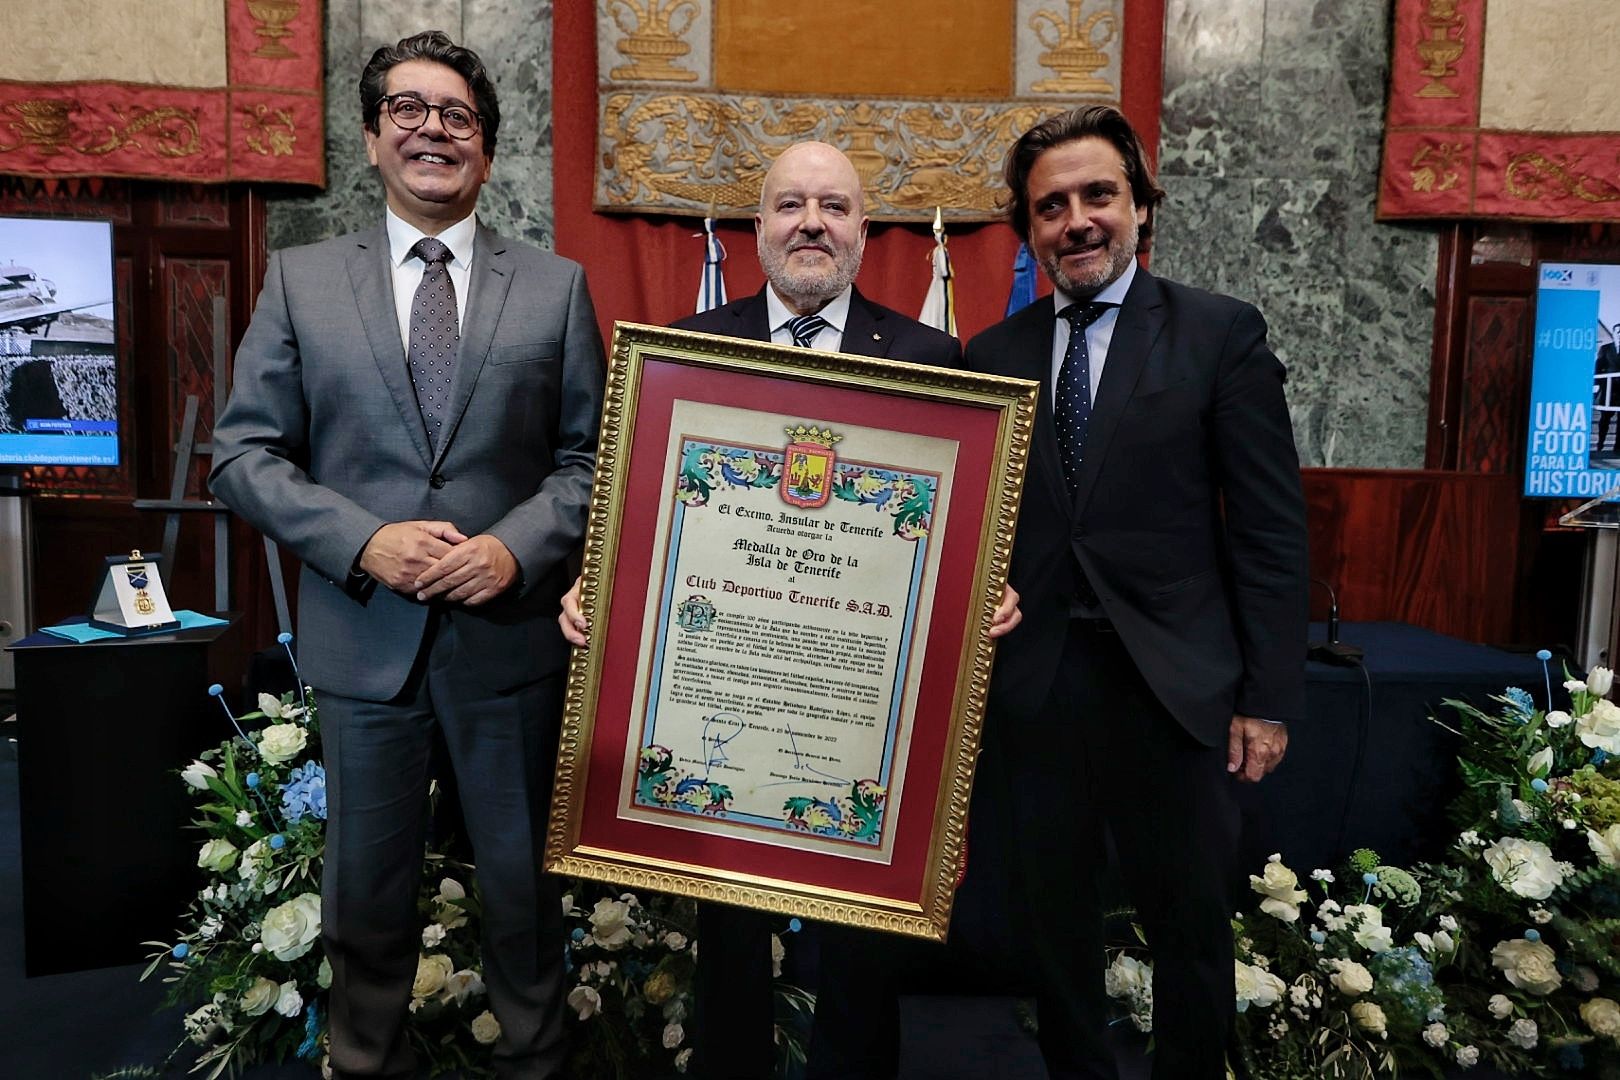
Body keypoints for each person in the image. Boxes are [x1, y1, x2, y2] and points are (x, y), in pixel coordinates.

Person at [557, 140, 1018, 1079]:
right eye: (791, 205)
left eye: (835, 206)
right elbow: (639, 510)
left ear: (861, 230)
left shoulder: (933, 357)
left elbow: (958, 518)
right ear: (757, 227)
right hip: (725, 710)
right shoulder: (687, 352)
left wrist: (986, 590)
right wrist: (597, 587)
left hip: (854, 720)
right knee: (728, 943)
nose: (813, 222)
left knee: (863, 952)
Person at [210, 30, 604, 1080]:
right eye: (409, 110)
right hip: (363, 653)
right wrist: (364, 540)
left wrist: (515, 552)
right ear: (374, 135)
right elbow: (242, 455)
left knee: (524, 910)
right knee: (365, 912)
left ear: (490, 146)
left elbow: (590, 460)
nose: (434, 129)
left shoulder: (557, 288)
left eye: (458, 117)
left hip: (509, 654)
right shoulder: (299, 281)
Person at [963, 105, 1308, 1079]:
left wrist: (1266, 698)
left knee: (1190, 929)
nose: (1076, 220)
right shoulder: (993, 358)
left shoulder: (1220, 335)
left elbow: (1273, 531)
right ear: (1028, 228)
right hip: (1038, 695)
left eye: (1097, 196)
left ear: (1141, 207)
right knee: (1054, 935)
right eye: (1051, 205)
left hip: (1178, 695)